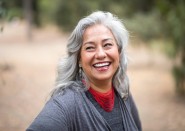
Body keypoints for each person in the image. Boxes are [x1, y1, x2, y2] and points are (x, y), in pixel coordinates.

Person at [27, 11, 142, 131]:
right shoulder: (66, 104)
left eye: (107, 44)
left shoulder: (123, 93)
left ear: (118, 51)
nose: (101, 54)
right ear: (79, 59)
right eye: (90, 47)